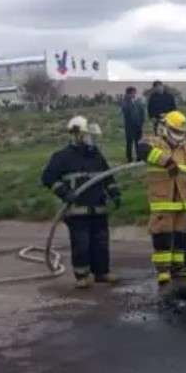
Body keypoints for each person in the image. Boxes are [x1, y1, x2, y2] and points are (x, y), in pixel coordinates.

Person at [41, 116, 121, 289]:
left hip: (98, 208)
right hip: (77, 211)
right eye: (87, 136)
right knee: (81, 245)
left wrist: (115, 193)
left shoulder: (96, 156)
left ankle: (102, 273)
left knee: (101, 243)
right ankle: (82, 276)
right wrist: (64, 193)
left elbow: (108, 177)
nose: (90, 139)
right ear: (78, 135)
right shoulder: (62, 157)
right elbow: (48, 178)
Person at [137, 110, 186, 296]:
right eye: (175, 131)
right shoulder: (155, 142)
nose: (178, 136)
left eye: (181, 132)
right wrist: (165, 161)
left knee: (180, 238)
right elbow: (142, 151)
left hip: (183, 200)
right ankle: (163, 271)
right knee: (162, 237)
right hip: (162, 201)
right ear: (165, 128)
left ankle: (179, 266)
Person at [120, 86, 146, 162]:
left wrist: (142, 122)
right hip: (129, 126)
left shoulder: (138, 102)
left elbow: (142, 112)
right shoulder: (125, 102)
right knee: (129, 142)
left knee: (138, 142)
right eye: (133, 93)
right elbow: (125, 111)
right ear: (128, 94)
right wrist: (128, 99)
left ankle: (139, 157)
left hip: (138, 126)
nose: (134, 94)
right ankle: (129, 158)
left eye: (135, 92)